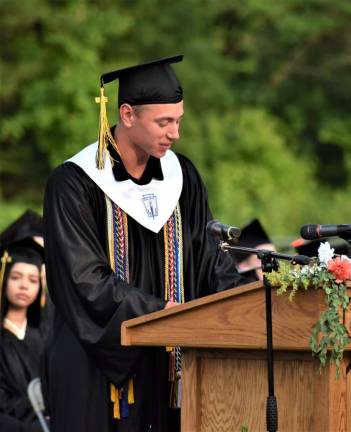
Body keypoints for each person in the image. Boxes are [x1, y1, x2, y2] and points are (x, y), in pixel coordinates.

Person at [42, 55, 245, 432]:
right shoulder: (74, 183)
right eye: (164, 122)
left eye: (179, 121)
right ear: (127, 114)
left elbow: (208, 261)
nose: (175, 133)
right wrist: (160, 313)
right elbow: (83, 279)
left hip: (169, 368)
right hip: (95, 369)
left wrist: (254, 296)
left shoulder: (182, 176)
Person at [0, 237, 46, 431]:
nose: (24, 286)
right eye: (16, 277)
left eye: (33, 280)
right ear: (3, 278)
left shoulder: (45, 337)